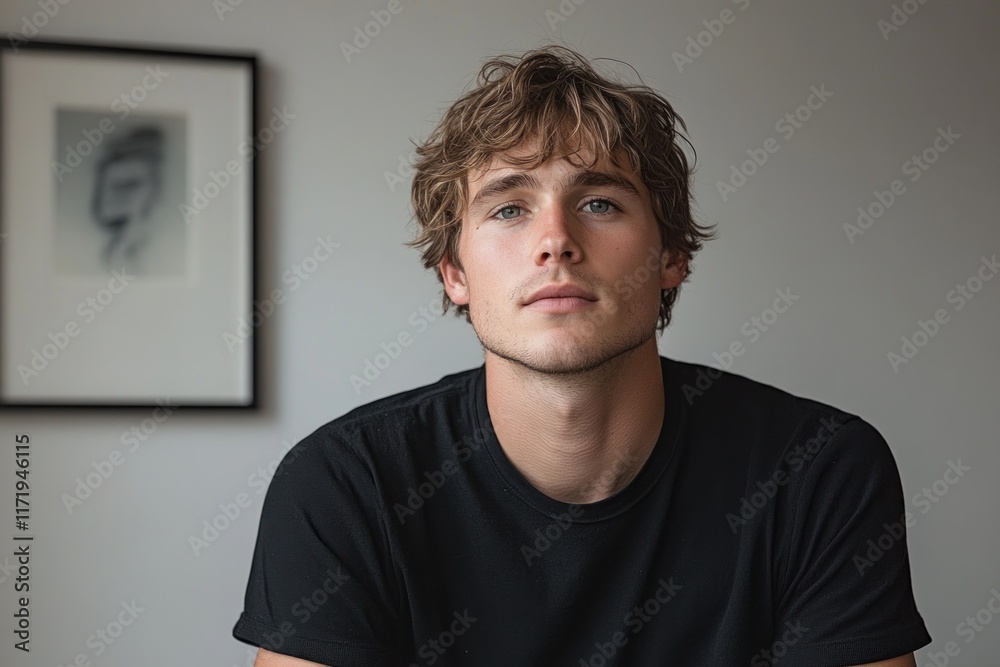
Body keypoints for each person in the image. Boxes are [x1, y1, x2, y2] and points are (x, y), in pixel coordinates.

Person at [233, 44, 932, 666]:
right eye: (509, 208)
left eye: (599, 202)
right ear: (454, 273)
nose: (556, 240)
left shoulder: (818, 471)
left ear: (671, 257)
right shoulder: (344, 486)